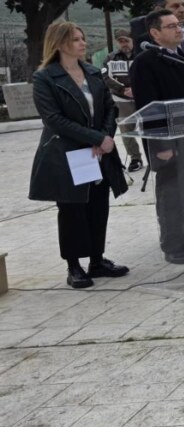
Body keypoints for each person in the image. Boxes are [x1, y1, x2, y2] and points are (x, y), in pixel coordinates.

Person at [29, 21, 129, 288]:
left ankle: (97, 260)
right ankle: (74, 266)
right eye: (76, 39)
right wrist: (96, 138)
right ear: (59, 43)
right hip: (67, 154)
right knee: (72, 210)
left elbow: (110, 108)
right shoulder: (45, 77)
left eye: (82, 38)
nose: (83, 43)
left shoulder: (93, 72)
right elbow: (53, 119)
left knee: (98, 205)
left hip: (99, 153)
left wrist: (105, 137)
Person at [130, 9, 184, 263]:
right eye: (171, 26)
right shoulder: (145, 62)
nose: (179, 29)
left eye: (179, 25)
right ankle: (173, 245)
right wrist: (162, 144)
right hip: (166, 141)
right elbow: (148, 107)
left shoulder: (180, 56)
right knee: (170, 194)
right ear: (155, 33)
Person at [102, 29, 143, 172]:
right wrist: (123, 89)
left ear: (132, 40)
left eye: (126, 40)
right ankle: (135, 158)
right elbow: (105, 77)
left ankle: (154, 154)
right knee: (126, 131)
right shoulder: (110, 58)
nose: (124, 44)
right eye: (120, 41)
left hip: (143, 98)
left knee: (150, 127)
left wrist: (137, 89)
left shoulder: (141, 55)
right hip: (121, 100)